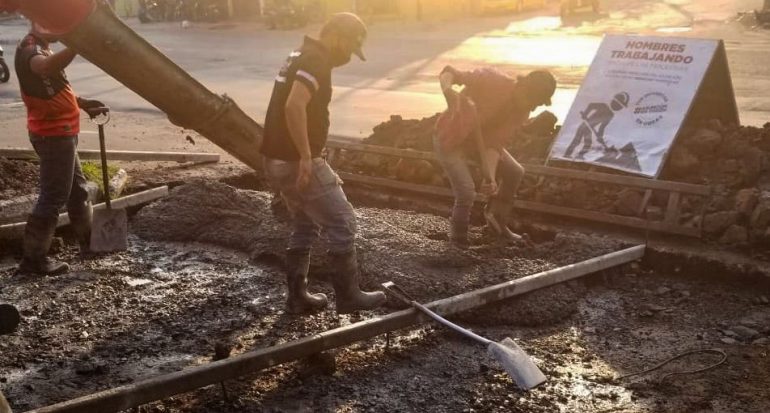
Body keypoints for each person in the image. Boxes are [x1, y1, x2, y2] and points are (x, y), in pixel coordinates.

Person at [261, 12, 386, 315]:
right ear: (337, 36)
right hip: (295, 160)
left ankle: (297, 296)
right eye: (350, 47)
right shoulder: (316, 60)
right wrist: (306, 155)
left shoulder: (300, 53)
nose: (348, 55)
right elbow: (294, 106)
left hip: (275, 158)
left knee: (304, 222)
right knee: (344, 221)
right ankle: (348, 296)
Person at [15, 23, 106, 275]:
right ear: (39, 23)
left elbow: (51, 85)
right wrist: (76, 46)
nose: (61, 32)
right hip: (53, 134)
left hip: (61, 132)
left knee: (77, 191)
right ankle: (33, 261)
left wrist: (81, 103)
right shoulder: (30, 48)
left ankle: (90, 243)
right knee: (53, 197)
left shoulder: (42, 46)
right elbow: (43, 67)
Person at [434, 66, 556, 248]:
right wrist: (447, 90)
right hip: (450, 139)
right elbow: (449, 73)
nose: (534, 107)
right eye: (534, 101)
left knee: (515, 172)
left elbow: (494, 145)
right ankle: (457, 239)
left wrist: (489, 178)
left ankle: (496, 220)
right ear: (524, 87)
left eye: (538, 104)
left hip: (479, 145)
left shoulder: (521, 113)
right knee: (466, 191)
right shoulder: (493, 80)